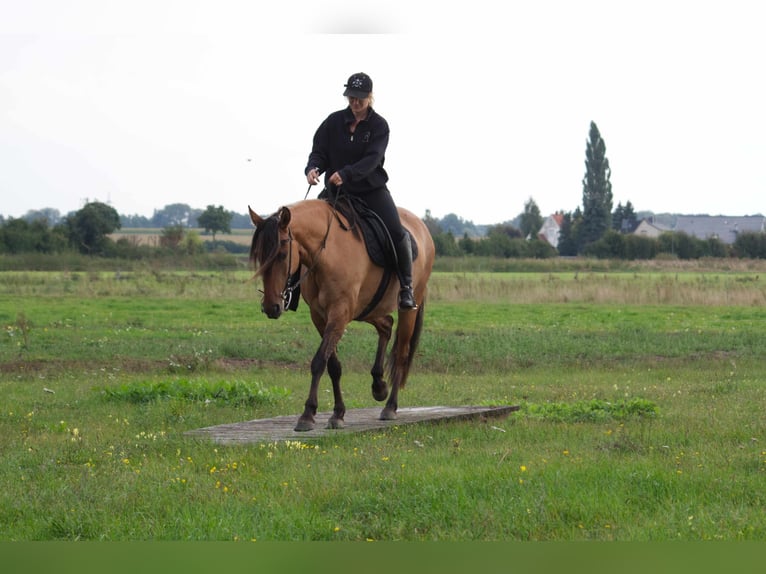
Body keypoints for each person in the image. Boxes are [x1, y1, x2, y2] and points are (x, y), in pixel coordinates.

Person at [305, 72, 417, 310]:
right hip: (336, 192)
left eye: (360, 98)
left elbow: (372, 160)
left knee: (397, 232)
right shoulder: (333, 122)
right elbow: (320, 151)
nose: (354, 103)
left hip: (370, 190)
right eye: (351, 98)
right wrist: (314, 168)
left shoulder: (379, 126)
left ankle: (407, 288)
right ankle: (294, 290)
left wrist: (346, 174)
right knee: (306, 230)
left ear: (370, 97)